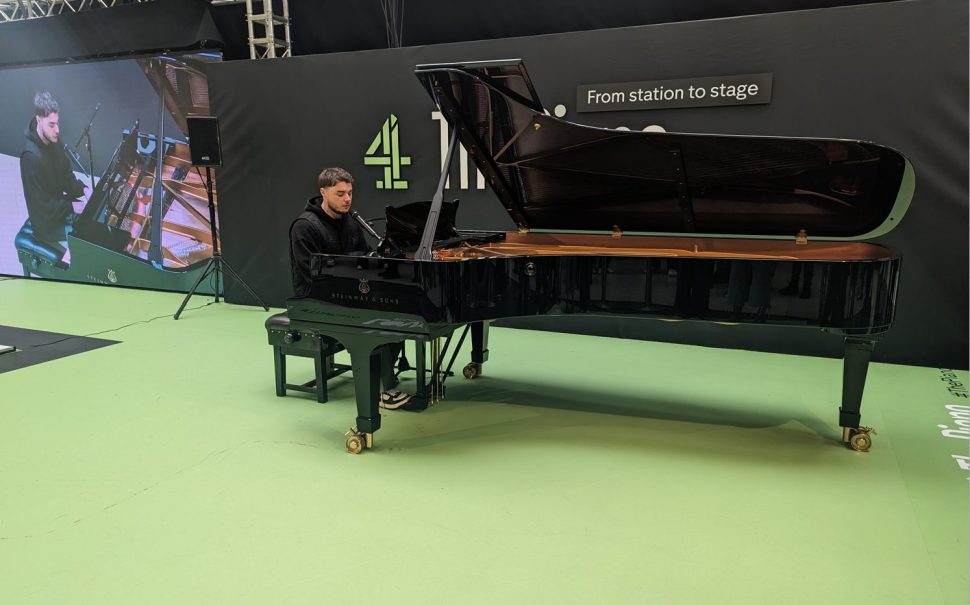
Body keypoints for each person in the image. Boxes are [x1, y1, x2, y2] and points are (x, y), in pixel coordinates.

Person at [289, 167, 413, 409]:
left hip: (349, 289)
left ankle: (384, 377)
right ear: (323, 192)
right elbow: (312, 274)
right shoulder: (304, 226)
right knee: (379, 320)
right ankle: (382, 390)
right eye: (340, 194)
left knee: (400, 310)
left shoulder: (351, 222)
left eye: (350, 193)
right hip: (314, 297)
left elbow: (365, 255)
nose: (347, 199)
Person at [20, 91, 87, 246]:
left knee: (93, 219)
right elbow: (41, 206)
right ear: (38, 120)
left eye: (57, 123)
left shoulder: (53, 139)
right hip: (46, 225)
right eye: (51, 124)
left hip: (58, 206)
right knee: (85, 241)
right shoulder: (30, 158)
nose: (57, 130)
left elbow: (66, 176)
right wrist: (71, 206)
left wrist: (83, 189)